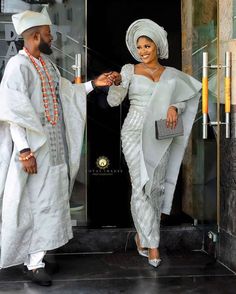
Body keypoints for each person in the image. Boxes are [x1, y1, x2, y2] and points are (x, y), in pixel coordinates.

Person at [0, 8, 115, 286]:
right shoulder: (19, 66)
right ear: (36, 36)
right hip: (31, 149)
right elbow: (13, 112)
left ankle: (38, 257)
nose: (53, 39)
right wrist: (24, 151)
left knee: (50, 201)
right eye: (49, 35)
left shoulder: (47, 65)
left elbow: (66, 92)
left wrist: (93, 84)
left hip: (52, 145)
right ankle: (33, 263)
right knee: (31, 204)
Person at [107, 19, 201, 268]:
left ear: (157, 46)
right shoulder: (128, 70)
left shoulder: (170, 75)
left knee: (156, 187)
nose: (143, 51)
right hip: (134, 130)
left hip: (161, 132)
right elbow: (115, 101)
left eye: (147, 46)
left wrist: (173, 106)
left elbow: (185, 98)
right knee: (140, 185)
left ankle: (142, 235)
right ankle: (153, 244)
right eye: (139, 47)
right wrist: (117, 84)